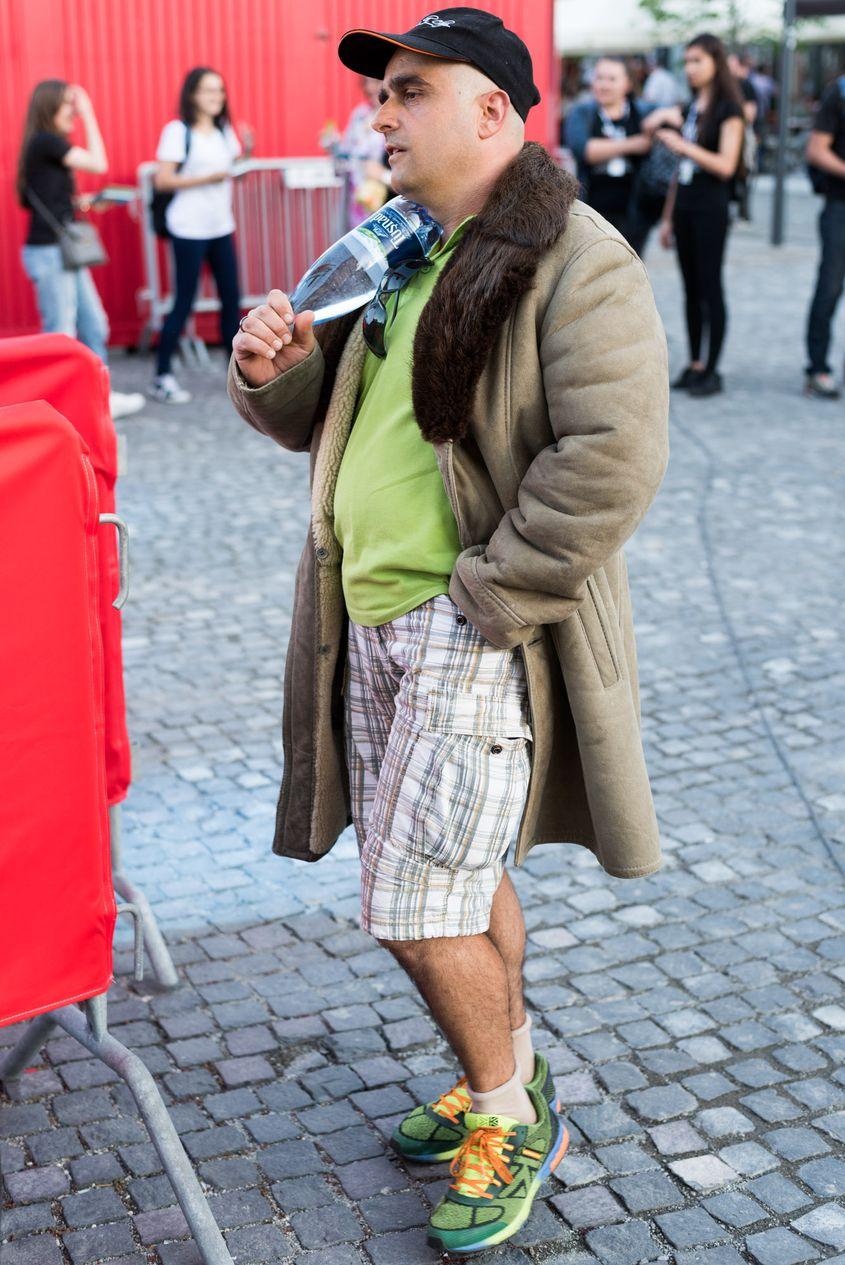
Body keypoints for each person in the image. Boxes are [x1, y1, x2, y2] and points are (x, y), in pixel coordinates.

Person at [228, 7, 668, 1254]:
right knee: (457, 879)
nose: (380, 116)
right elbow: (335, 421)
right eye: (381, 95)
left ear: (493, 113)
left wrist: (483, 598)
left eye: (410, 93)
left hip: (468, 628)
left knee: (415, 904)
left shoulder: (573, 256)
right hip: (366, 616)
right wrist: (277, 368)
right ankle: (511, 1074)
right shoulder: (402, 247)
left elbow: (611, 456)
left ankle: (505, 1115)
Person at [17, 80, 144, 420]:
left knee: (94, 325)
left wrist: (81, 203)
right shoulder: (46, 142)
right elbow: (98, 164)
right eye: (67, 107)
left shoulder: (43, 147)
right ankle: (58, 406)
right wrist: (89, 114)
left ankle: (99, 398)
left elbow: (44, 197)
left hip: (60, 251)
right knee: (62, 331)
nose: (72, 113)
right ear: (49, 109)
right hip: (49, 252)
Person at [649, 32, 745, 397]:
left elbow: (726, 165)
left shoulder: (728, 110)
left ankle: (713, 367)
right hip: (686, 205)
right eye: (687, 61)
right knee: (690, 289)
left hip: (710, 207)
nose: (689, 69)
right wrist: (669, 217)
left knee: (710, 287)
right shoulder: (692, 108)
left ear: (716, 63)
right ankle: (694, 363)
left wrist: (684, 146)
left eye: (697, 61)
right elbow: (678, 174)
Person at [150, 67, 252, 405]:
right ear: (192, 94)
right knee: (184, 301)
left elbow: (231, 168)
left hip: (221, 225)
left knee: (231, 300)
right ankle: (162, 375)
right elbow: (162, 180)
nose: (216, 97)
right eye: (209, 91)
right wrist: (207, 178)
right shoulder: (177, 132)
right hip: (188, 228)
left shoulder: (225, 131)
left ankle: (236, 374)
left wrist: (246, 153)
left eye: (220, 91)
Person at [564, 56, 654, 249]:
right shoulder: (583, 112)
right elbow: (584, 150)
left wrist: (661, 117)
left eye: (612, 79)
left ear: (628, 84)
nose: (604, 85)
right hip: (592, 211)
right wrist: (634, 143)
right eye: (599, 78)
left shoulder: (643, 112)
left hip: (633, 212)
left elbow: (672, 114)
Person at [803, 74, 845, 399]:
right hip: (839, 206)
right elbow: (817, 150)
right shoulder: (840, 92)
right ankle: (817, 368)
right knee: (829, 288)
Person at [320, 76, 389, 228]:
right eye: (367, 83)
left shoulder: (393, 115)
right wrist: (333, 145)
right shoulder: (359, 115)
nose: (371, 88)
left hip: (387, 193)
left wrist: (383, 174)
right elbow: (346, 152)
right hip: (358, 193)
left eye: (376, 82)